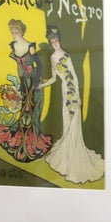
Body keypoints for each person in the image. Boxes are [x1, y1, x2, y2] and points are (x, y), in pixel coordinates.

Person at [40, 25, 105, 184]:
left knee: (74, 124)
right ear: (50, 42)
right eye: (52, 41)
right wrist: (42, 85)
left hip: (73, 93)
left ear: (59, 40)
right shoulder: (52, 57)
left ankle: (75, 156)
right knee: (67, 122)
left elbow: (74, 76)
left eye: (56, 40)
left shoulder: (66, 55)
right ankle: (67, 156)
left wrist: (78, 96)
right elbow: (55, 78)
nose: (54, 43)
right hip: (64, 92)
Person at [0, 18, 52, 163]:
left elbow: (39, 65)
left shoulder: (30, 46)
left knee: (34, 110)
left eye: (16, 31)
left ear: (21, 31)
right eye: (12, 31)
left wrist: (36, 83)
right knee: (24, 110)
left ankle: (33, 138)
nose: (13, 34)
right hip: (23, 82)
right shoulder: (13, 46)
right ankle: (22, 137)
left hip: (34, 82)